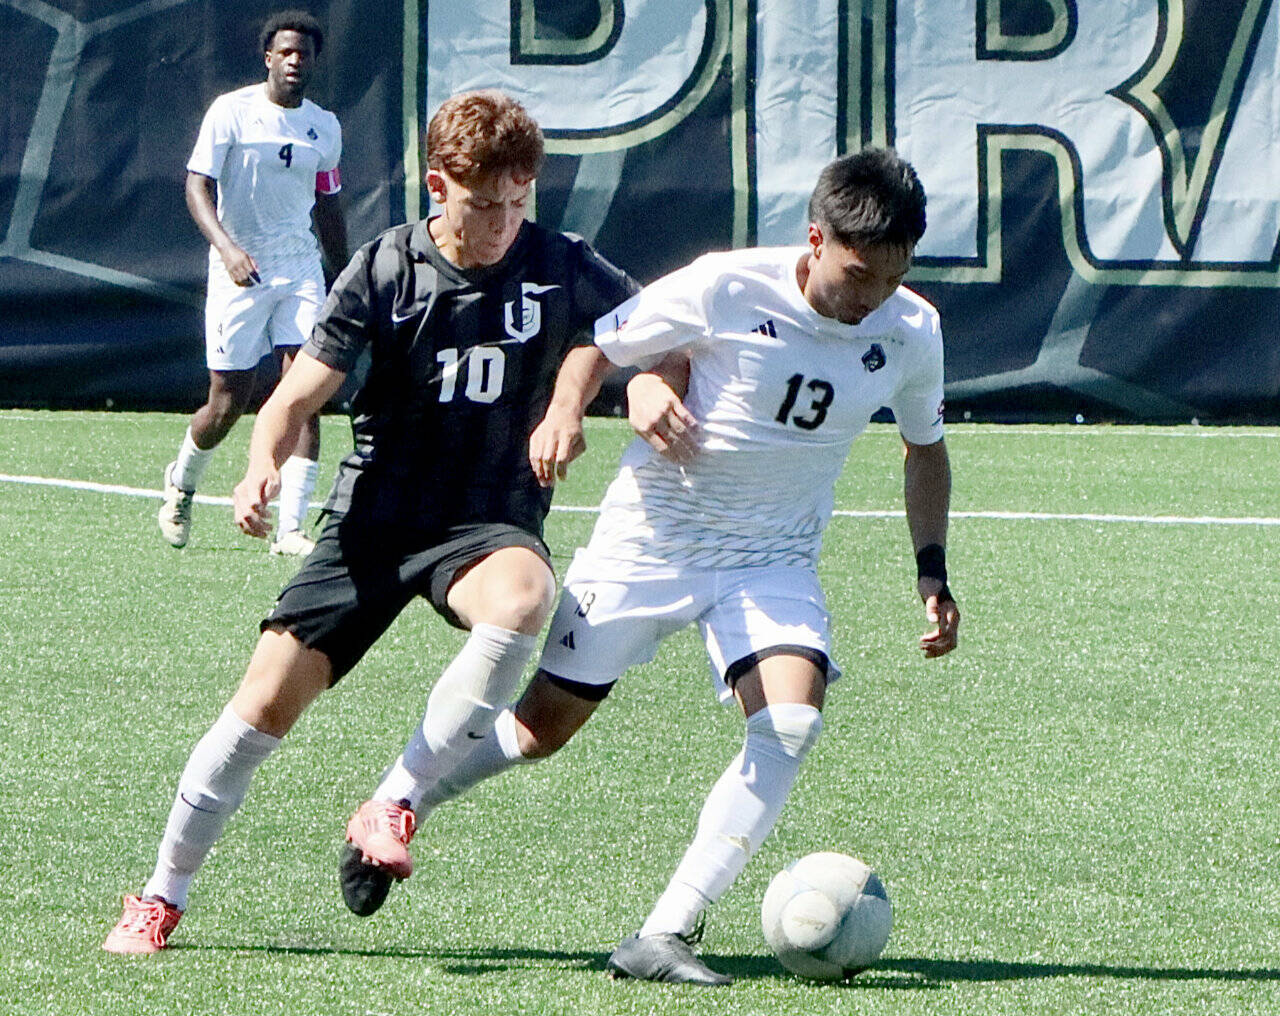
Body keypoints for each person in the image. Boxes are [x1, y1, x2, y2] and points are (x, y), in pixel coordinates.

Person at [335, 148, 960, 986]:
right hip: (652, 540)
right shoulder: (728, 284)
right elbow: (599, 346)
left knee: (791, 721)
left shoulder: (913, 330)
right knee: (540, 729)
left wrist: (932, 571)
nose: (872, 296)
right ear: (816, 240)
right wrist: (590, 404)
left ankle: (664, 932)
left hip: (771, 559)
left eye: (892, 276)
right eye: (858, 274)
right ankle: (400, 802)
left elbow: (925, 449)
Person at [103, 88, 637, 954]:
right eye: (483, 204)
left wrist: (574, 398)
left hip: (488, 518)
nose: (503, 223)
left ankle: (395, 800)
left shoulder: (560, 261)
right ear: (437, 186)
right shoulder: (387, 267)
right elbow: (295, 398)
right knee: (260, 709)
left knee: (524, 596)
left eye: (517, 202)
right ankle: (162, 895)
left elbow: (638, 329)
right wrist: (260, 463)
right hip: (376, 519)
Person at [158, 9, 348, 556]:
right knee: (227, 404)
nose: (294, 61)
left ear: (313, 62)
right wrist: (227, 249)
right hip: (239, 271)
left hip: (299, 269)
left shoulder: (324, 126)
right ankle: (181, 484)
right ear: (268, 58)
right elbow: (197, 187)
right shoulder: (231, 112)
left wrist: (343, 272)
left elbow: (328, 202)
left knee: (303, 391)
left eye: (303, 54)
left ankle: (290, 529)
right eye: (285, 52)